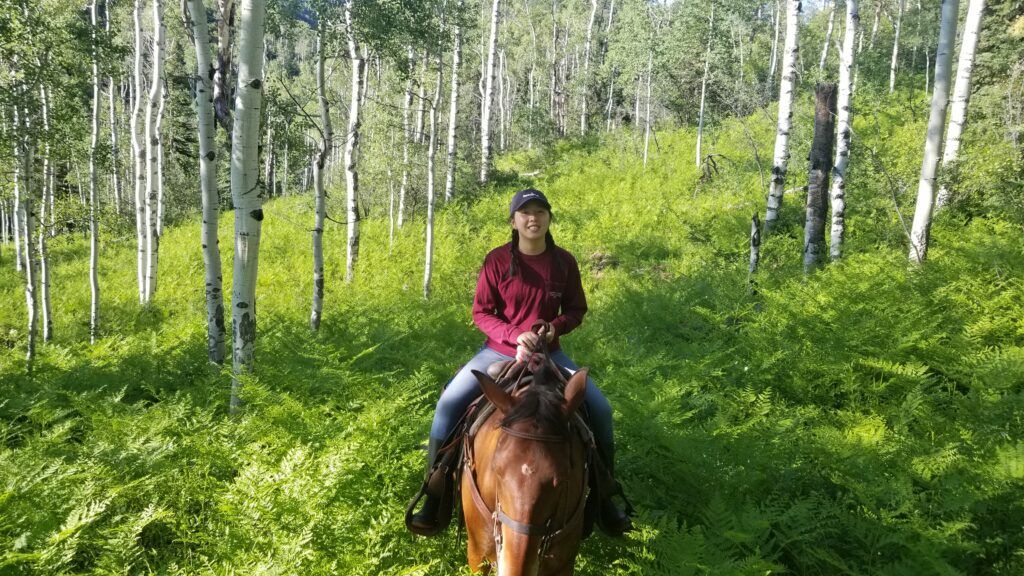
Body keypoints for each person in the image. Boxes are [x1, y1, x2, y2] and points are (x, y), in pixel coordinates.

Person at [408, 188, 632, 537]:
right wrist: (516, 336)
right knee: (449, 404)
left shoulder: (564, 262)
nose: (533, 218)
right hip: (498, 351)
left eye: (540, 212)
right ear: (513, 221)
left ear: (548, 219)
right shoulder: (496, 260)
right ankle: (433, 496)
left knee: (600, 410)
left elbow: (576, 310)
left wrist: (550, 329)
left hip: (551, 354)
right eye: (525, 213)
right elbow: (481, 312)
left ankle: (605, 498)